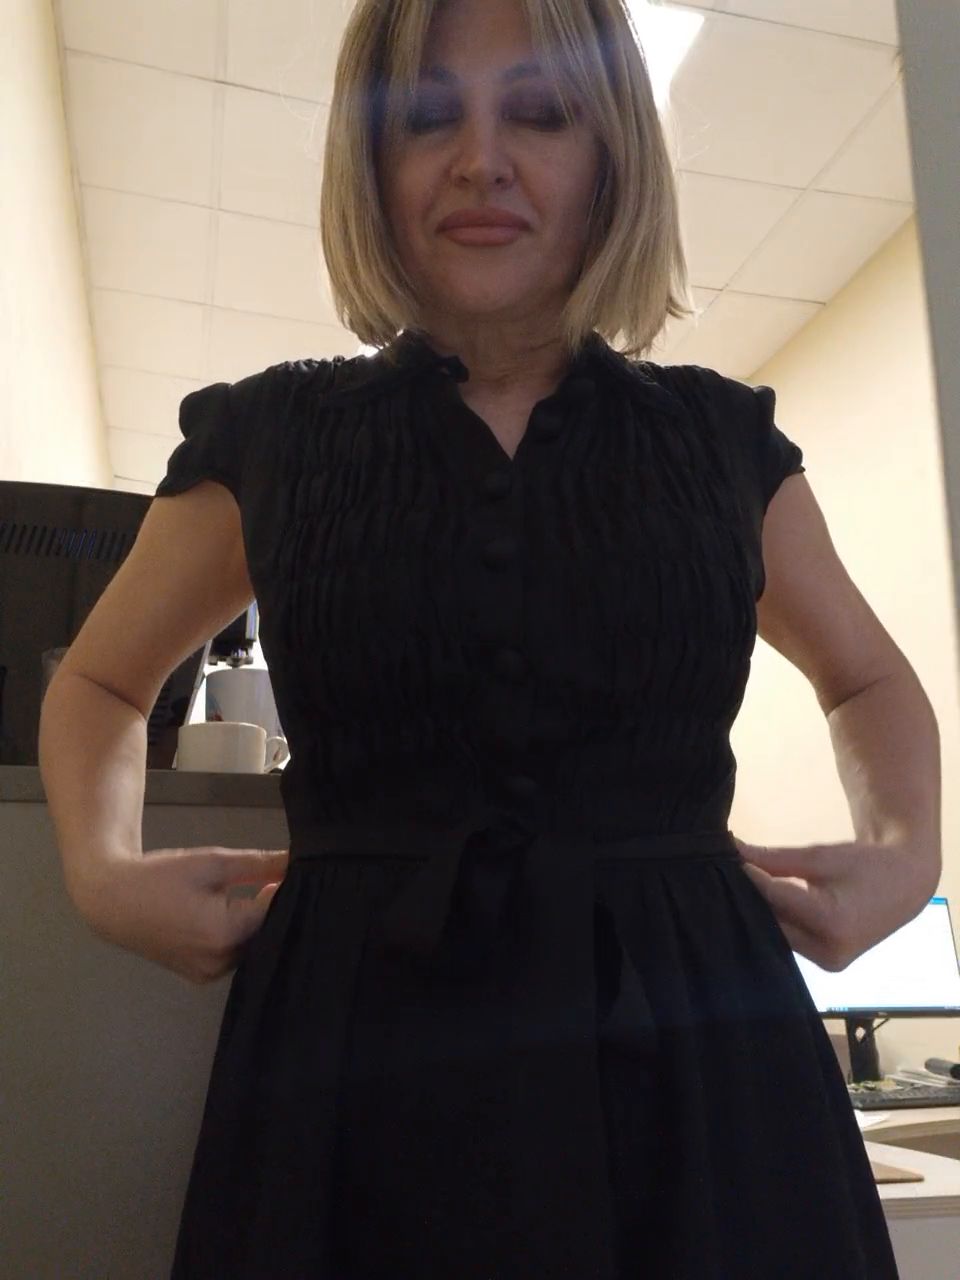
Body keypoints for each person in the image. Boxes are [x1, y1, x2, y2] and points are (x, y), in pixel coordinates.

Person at [39, 0, 942, 1275]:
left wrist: (906, 853)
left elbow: (868, 677)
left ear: (612, 151)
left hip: (700, 1062)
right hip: (355, 1064)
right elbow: (100, 679)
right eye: (425, 117)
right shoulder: (271, 440)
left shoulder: (723, 443)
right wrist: (98, 865)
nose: (480, 159)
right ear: (370, 160)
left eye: (541, 113)